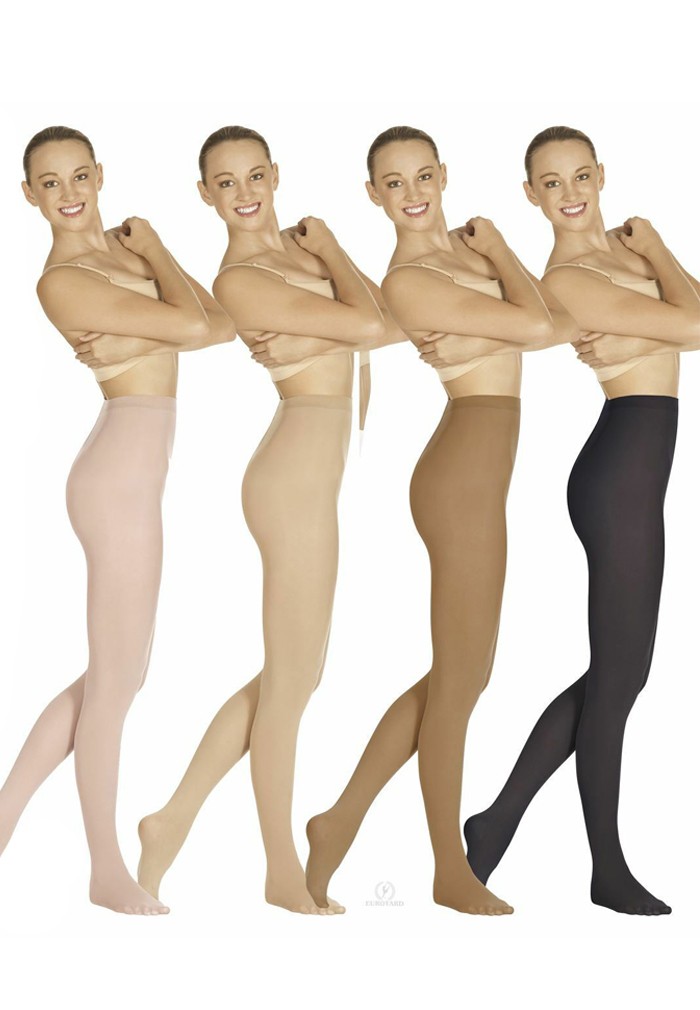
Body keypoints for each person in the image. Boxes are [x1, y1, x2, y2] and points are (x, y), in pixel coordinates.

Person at [305, 125, 576, 915]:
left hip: (479, 473)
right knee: (460, 682)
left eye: (423, 175)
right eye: (394, 183)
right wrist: (502, 253)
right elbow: (545, 328)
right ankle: (447, 869)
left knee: (461, 676)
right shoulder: (411, 279)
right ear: (374, 196)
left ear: (444, 174)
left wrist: (495, 253)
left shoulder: (463, 255)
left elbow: (552, 315)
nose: (413, 193)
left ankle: (338, 820)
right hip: (459, 478)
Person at [137, 126, 403, 915]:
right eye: (226, 183)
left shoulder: (300, 254)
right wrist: (338, 258)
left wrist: (330, 254)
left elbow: (388, 319)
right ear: (206, 195)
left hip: (314, 475)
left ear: (276, 175)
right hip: (291, 478)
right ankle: (281, 870)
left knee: (294, 676)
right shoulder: (241, 278)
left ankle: (170, 819)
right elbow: (375, 326)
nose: (245, 192)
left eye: (255, 175)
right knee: (292, 683)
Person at [464, 125, 700, 915]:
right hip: (617, 476)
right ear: (531, 195)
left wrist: (659, 250)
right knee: (621, 677)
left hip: (638, 473)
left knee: (619, 674)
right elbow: (696, 327)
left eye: (579, 176)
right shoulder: (567, 277)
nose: (569, 194)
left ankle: (496, 822)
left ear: (601, 175)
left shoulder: (631, 257)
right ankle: (605, 868)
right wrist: (659, 268)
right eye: (551, 182)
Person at [0, 126, 234, 914]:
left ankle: (2, 819)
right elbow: (196, 328)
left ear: (99, 176)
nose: (68, 194)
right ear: (28, 195)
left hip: (133, 470)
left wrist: (158, 252)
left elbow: (221, 324)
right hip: (117, 481)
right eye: (49, 183)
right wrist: (162, 276)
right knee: (115, 684)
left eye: (78, 176)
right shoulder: (62, 281)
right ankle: (106, 869)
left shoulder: (126, 255)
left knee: (116, 675)